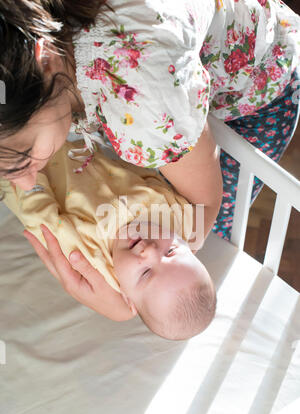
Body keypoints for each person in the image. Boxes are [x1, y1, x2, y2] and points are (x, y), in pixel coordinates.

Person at [0, 0, 299, 316]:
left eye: (25, 157)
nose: (27, 181)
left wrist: (125, 303)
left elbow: (202, 211)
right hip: (178, 70)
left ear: (45, 60)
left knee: (211, 239)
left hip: (262, 81)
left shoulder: (143, 98)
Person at [2, 139, 216, 340]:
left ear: (127, 299)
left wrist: (30, 167)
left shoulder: (94, 260)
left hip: (28, 164)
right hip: (80, 143)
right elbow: (149, 175)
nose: (149, 250)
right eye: (171, 252)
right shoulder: (177, 220)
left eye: (146, 273)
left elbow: (41, 218)